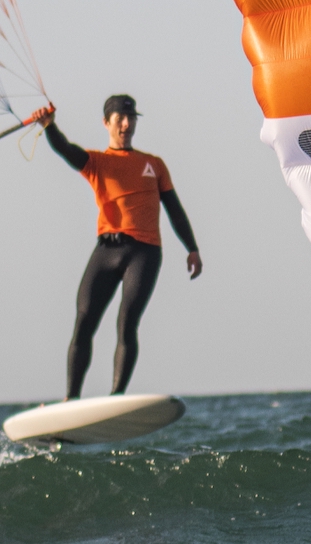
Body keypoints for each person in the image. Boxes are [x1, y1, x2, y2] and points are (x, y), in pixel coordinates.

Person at [29, 95, 202, 400]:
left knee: (126, 322)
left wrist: (192, 248)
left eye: (131, 117)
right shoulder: (97, 162)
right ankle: (71, 398)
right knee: (83, 320)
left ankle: (116, 396)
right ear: (106, 123)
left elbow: (175, 209)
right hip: (106, 250)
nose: (126, 123)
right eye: (120, 118)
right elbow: (66, 150)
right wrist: (49, 126)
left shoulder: (154, 165)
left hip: (144, 252)